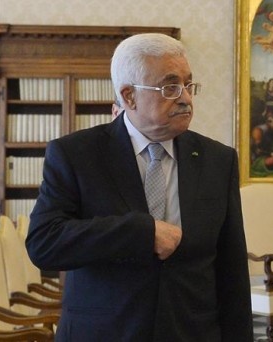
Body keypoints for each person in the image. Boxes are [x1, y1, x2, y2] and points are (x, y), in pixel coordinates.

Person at [26, 33, 253, 341]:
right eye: (170, 86)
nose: (186, 97)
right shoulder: (76, 154)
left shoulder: (218, 160)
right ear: (129, 96)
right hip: (105, 333)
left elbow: (232, 272)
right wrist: (140, 232)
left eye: (189, 84)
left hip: (191, 332)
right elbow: (44, 243)